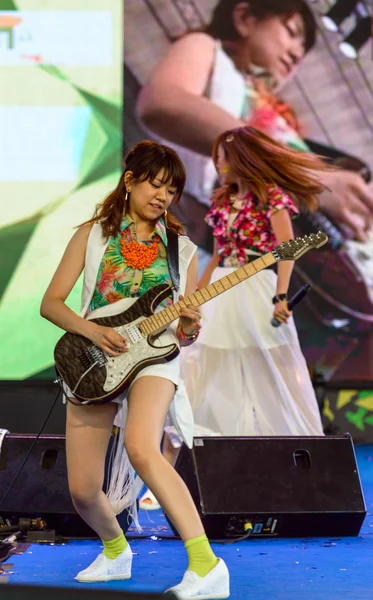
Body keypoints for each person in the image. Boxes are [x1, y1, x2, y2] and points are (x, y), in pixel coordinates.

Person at [40, 140, 230, 599]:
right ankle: (114, 550)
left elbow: (184, 335)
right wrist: (91, 332)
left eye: (172, 190)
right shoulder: (91, 234)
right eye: (156, 184)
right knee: (84, 490)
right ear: (130, 181)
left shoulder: (180, 249)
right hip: (93, 360)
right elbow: (51, 303)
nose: (163, 196)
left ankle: (207, 566)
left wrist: (187, 326)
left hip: (155, 359)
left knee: (143, 446)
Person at [137, 0, 373, 250]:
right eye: (291, 32)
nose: (296, 54)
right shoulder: (207, 48)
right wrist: (301, 175)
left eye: (303, 52)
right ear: (245, 18)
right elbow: (161, 101)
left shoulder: (274, 113)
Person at [179, 125, 329, 439]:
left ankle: (297, 441)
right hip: (222, 288)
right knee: (210, 361)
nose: (218, 165)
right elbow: (219, 255)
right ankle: (213, 437)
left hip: (257, 285)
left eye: (222, 159)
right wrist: (198, 295)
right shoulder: (221, 201)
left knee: (274, 362)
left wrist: (281, 297)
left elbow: (287, 250)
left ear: (240, 159)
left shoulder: (272, 197)